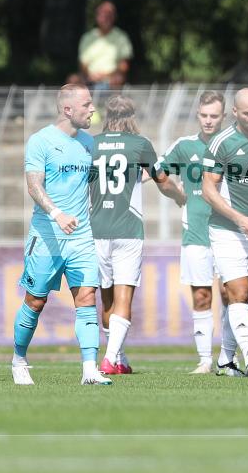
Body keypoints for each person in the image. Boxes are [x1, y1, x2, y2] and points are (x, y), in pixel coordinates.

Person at [10, 84, 112, 386]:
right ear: (68, 109)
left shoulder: (88, 142)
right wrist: (57, 214)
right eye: (87, 104)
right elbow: (33, 185)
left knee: (87, 298)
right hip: (47, 236)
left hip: (81, 237)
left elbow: (90, 186)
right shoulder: (40, 141)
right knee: (35, 302)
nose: (92, 109)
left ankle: (90, 369)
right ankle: (18, 359)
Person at [92, 95, 186, 375]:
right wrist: (180, 196)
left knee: (106, 299)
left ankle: (119, 358)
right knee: (124, 298)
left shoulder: (91, 145)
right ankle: (109, 360)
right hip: (127, 229)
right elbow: (162, 181)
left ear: (106, 116)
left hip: (96, 229)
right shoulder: (140, 144)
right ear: (132, 116)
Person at [202, 88, 248, 377]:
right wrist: (238, 218)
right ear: (235, 113)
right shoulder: (222, 142)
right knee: (238, 290)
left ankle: (225, 359)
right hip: (226, 230)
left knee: (244, 297)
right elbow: (208, 189)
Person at [158, 90, 227, 374]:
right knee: (201, 296)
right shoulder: (186, 147)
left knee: (231, 294)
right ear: (198, 115)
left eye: (214, 116)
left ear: (224, 116)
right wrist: (177, 196)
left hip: (229, 232)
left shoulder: (234, 144)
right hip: (196, 232)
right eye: (204, 116)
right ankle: (205, 359)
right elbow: (158, 173)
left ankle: (229, 356)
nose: (209, 121)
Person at [78, 1, 133, 90]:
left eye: (109, 15)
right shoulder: (87, 37)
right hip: (89, 78)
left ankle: (114, 103)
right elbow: (83, 64)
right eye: (102, 14)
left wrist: (106, 76)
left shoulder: (122, 37)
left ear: (114, 17)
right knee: (72, 80)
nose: (105, 18)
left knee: (118, 79)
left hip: (112, 79)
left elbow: (124, 65)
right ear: (97, 17)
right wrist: (90, 75)